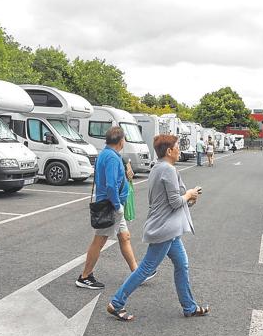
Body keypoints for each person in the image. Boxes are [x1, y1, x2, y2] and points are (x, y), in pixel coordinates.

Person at [106, 134, 210, 321]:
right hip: (164, 229)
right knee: (146, 268)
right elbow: (176, 201)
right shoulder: (168, 170)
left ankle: (189, 306)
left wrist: (189, 198)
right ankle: (117, 302)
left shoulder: (157, 168)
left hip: (169, 229)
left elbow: (169, 202)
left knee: (182, 264)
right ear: (169, 151)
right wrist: (189, 194)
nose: (180, 149)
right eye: (178, 146)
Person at [76, 126, 140, 290]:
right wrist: (117, 205)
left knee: (124, 236)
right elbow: (111, 185)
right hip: (111, 205)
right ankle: (85, 276)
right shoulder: (112, 157)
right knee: (100, 240)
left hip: (111, 204)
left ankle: (137, 273)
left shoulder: (105, 153)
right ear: (121, 141)